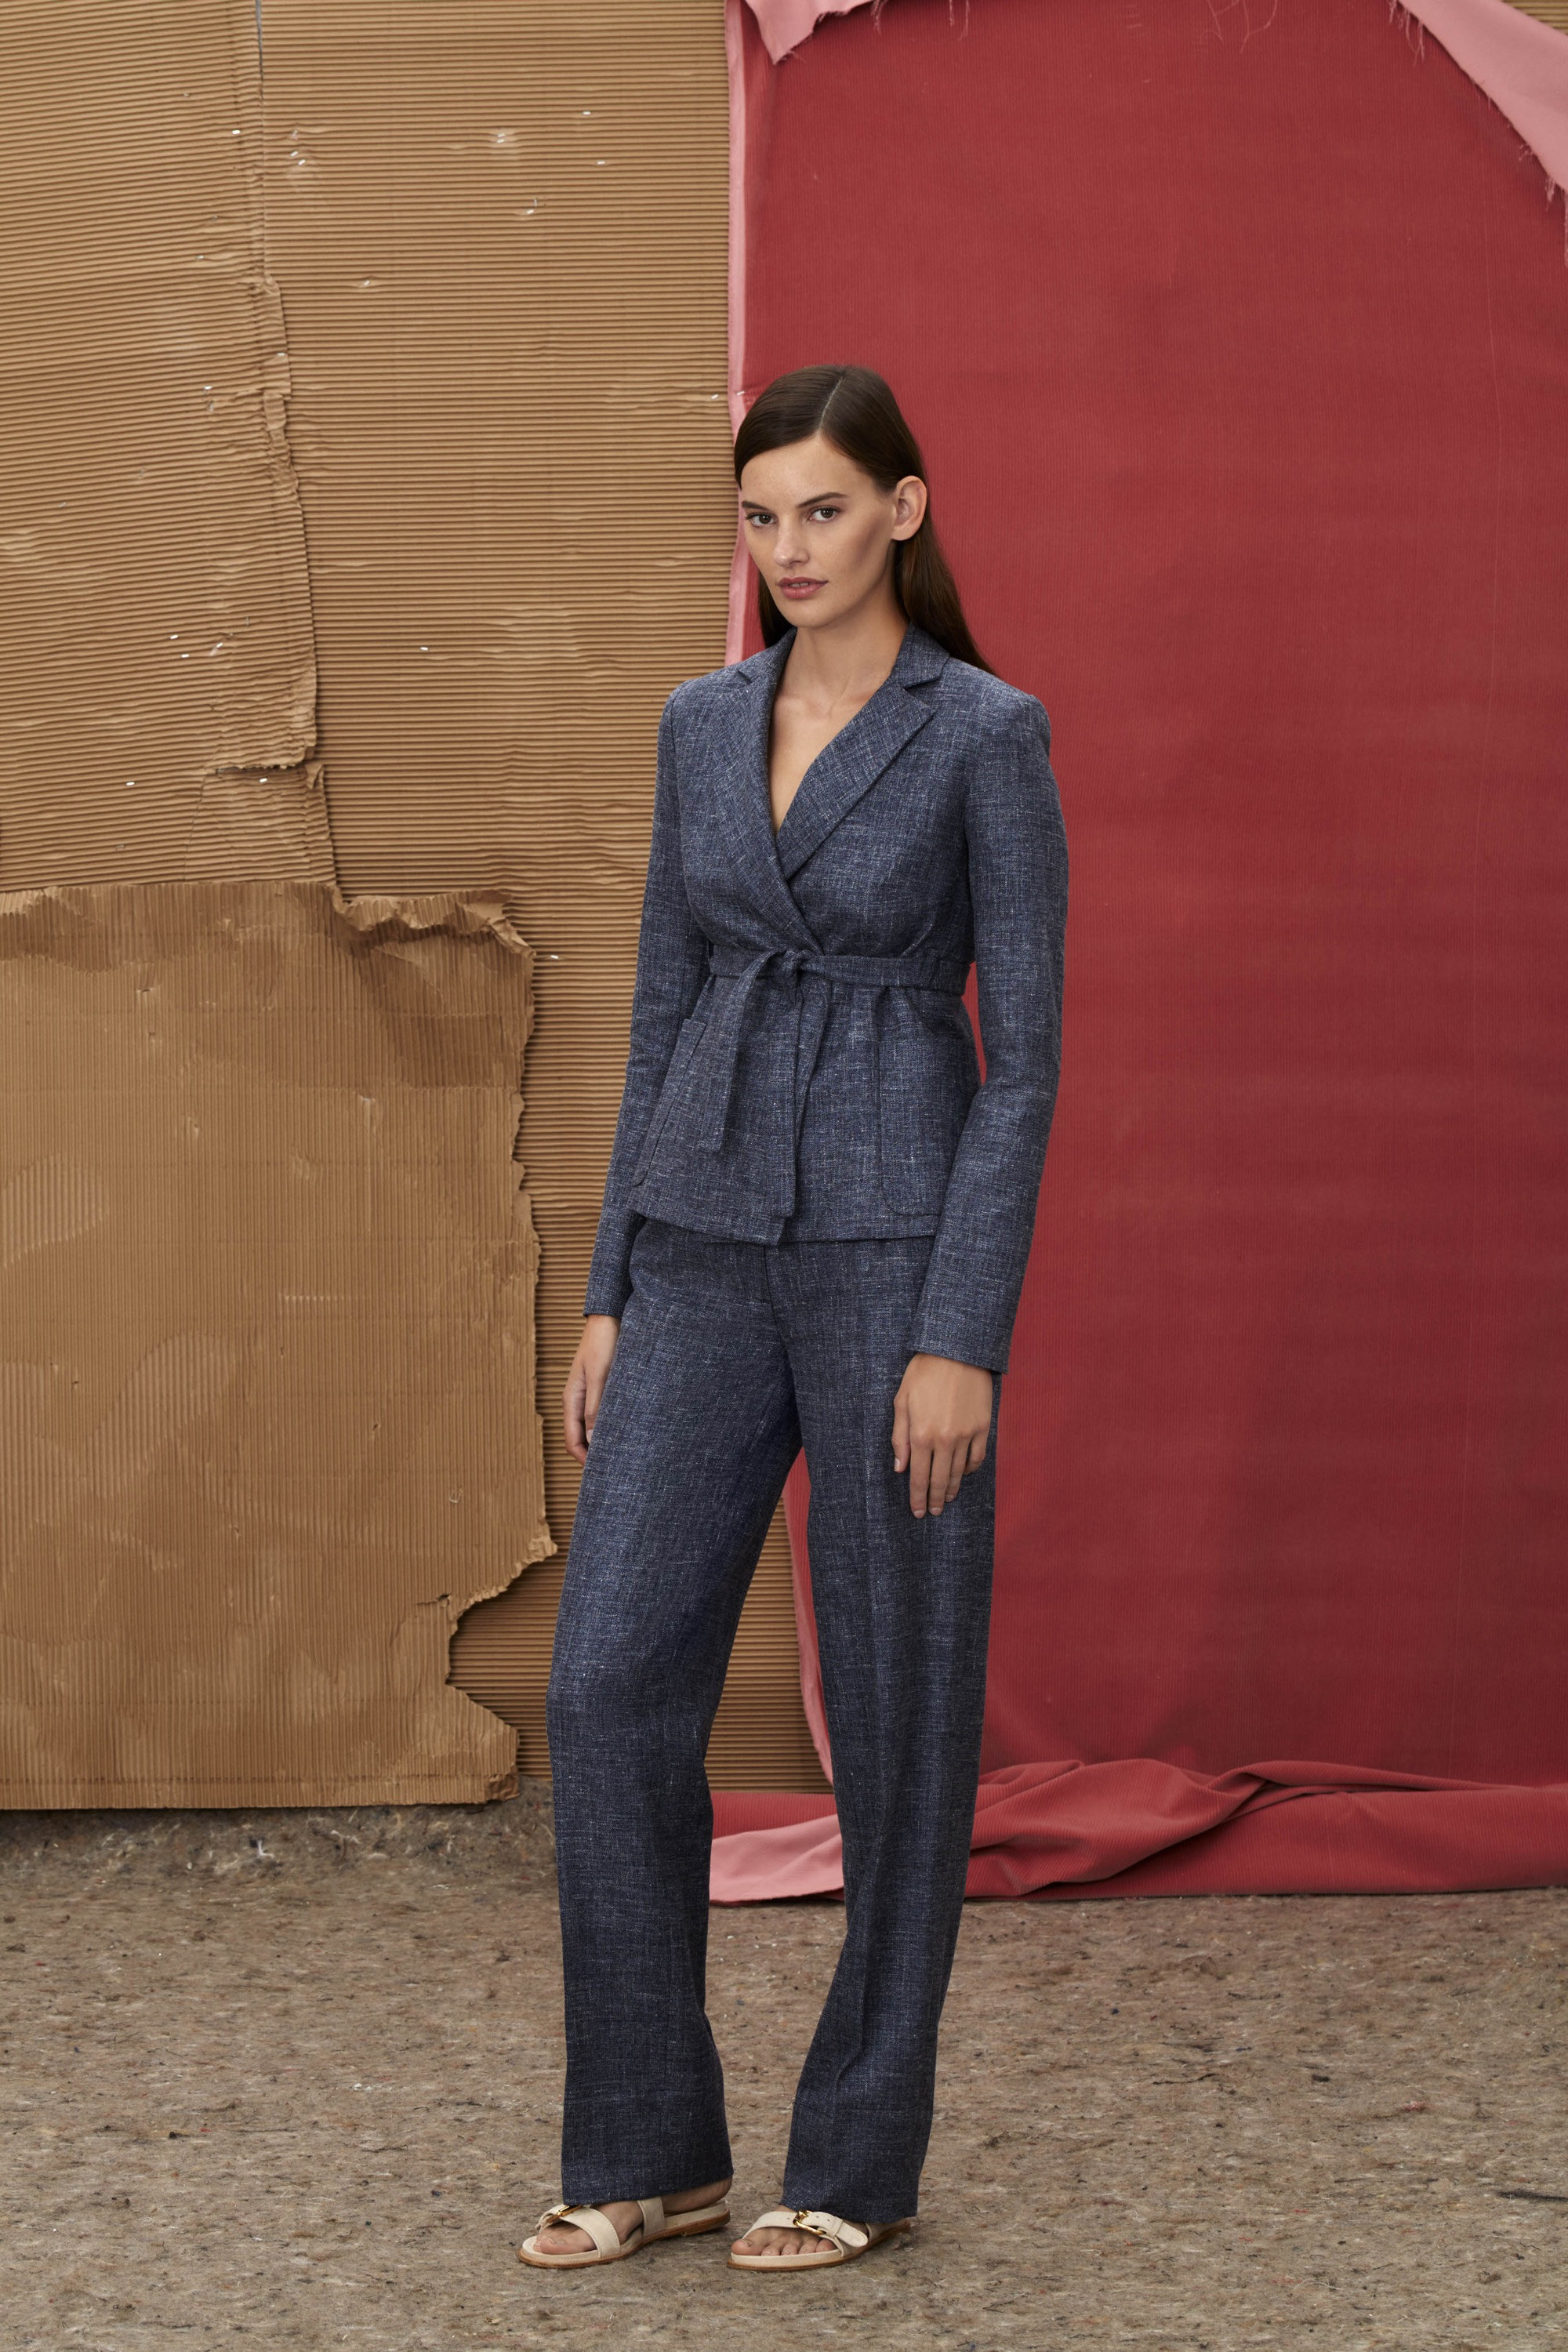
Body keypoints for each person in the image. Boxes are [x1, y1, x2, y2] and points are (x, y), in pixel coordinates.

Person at [518, 364, 1069, 2275]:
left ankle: (854, 2159)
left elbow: (1023, 1061)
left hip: (895, 1252)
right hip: (698, 1242)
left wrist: (961, 1330)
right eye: (761, 517)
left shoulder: (984, 732)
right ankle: (645, 2147)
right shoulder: (701, 722)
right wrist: (611, 1285)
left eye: (823, 510)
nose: (788, 550)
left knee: (902, 1708)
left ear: (903, 509)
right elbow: (658, 1012)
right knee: (605, 1686)